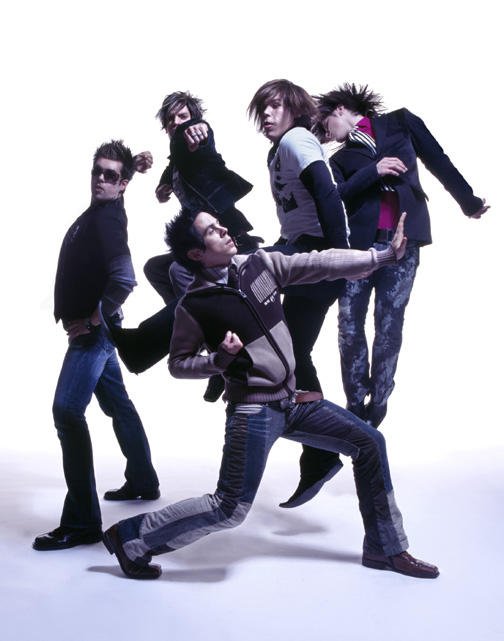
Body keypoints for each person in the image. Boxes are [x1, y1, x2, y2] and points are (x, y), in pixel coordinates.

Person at [102, 208, 439, 581]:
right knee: (229, 508)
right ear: (197, 252)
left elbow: (319, 262)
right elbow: (179, 364)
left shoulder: (259, 265)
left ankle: (385, 548)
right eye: (212, 230)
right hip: (253, 413)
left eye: (219, 224)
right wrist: (218, 360)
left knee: (369, 442)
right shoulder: (194, 306)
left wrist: (381, 257)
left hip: (293, 401)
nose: (224, 229)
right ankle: (131, 536)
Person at [315, 84, 489, 427]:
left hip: (403, 245)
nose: (326, 135)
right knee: (348, 325)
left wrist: (467, 202)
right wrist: (374, 170)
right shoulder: (336, 160)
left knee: (389, 325)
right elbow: (335, 198)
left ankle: (380, 396)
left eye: (325, 126)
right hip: (357, 250)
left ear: (339, 110)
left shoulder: (400, 123)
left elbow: (438, 160)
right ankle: (355, 399)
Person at [33, 141, 160, 552]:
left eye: (110, 176)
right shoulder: (109, 209)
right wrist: (132, 168)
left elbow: (124, 279)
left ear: (121, 184)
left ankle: (82, 522)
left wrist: (91, 320)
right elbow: (118, 191)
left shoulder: (107, 221)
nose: (100, 180)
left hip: (93, 334)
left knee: (67, 411)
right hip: (101, 329)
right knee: (118, 403)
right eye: (97, 172)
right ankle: (143, 479)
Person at [247, 79, 349, 508]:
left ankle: (323, 453)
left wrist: (339, 255)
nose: (267, 115)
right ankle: (320, 456)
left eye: (275, 106)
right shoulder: (278, 150)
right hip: (301, 249)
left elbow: (326, 192)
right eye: (262, 109)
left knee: (288, 349)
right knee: (292, 352)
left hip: (317, 253)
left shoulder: (296, 139)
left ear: (294, 109)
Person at [144, 90, 260, 305]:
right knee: (155, 268)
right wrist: (162, 187)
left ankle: (199, 316)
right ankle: (182, 315)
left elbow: (202, 139)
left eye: (183, 116)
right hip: (203, 245)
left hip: (229, 240)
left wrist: (200, 128)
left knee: (179, 270)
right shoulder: (176, 162)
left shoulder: (198, 144)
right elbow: (173, 163)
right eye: (170, 119)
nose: (176, 122)